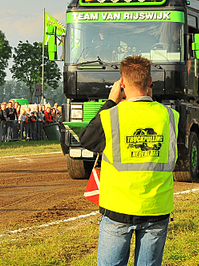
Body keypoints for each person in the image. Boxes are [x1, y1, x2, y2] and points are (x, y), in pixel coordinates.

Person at [79, 55, 179, 266]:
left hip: (118, 209)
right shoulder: (170, 116)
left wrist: (110, 101)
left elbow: (87, 140)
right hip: (156, 208)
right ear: (150, 82)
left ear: (121, 84)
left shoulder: (111, 115)